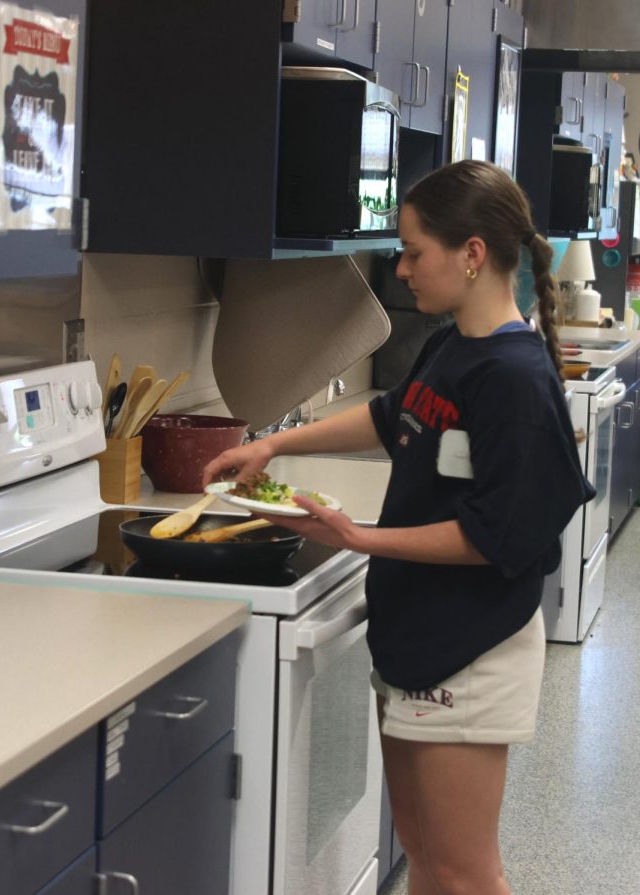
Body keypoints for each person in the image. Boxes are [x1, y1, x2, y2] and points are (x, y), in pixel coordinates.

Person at [202, 160, 594, 895]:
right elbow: (393, 416)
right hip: (419, 633)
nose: (403, 269)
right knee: (421, 851)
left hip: (470, 650)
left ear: (472, 254)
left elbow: (496, 539)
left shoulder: (513, 378)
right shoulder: (455, 344)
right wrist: (274, 443)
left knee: (465, 872)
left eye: (415, 251)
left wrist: (358, 536)